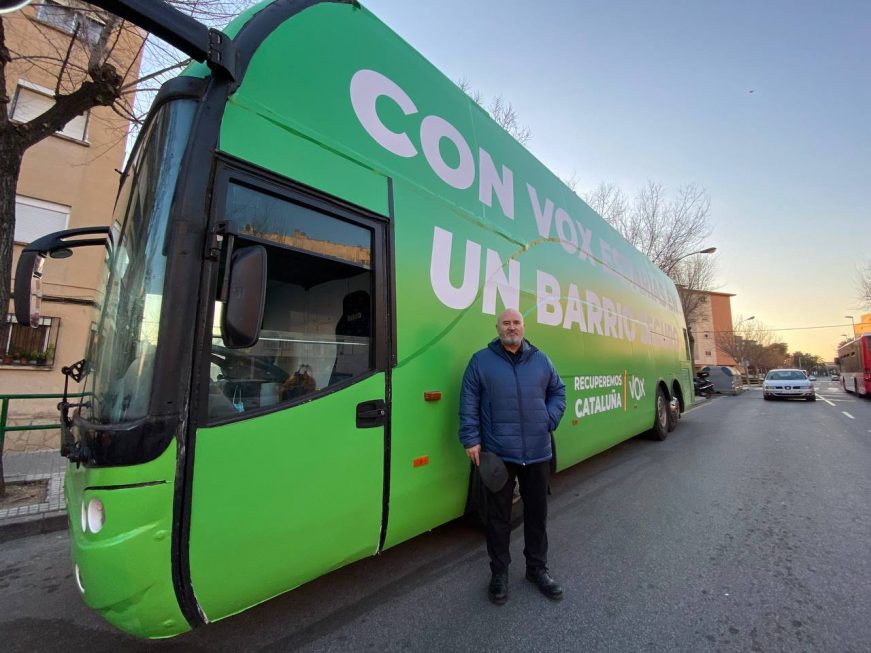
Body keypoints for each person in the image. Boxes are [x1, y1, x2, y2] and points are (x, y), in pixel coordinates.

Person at [459, 308, 566, 605]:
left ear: (523, 326)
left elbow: (559, 391)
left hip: (537, 452)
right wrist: (471, 438)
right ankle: (499, 574)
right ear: (497, 327)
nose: (511, 327)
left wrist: (549, 418)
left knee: (537, 516)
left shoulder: (541, 360)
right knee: (497, 519)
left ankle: (537, 570)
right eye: (506, 323)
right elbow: (468, 400)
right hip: (498, 454)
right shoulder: (481, 361)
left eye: (516, 322)